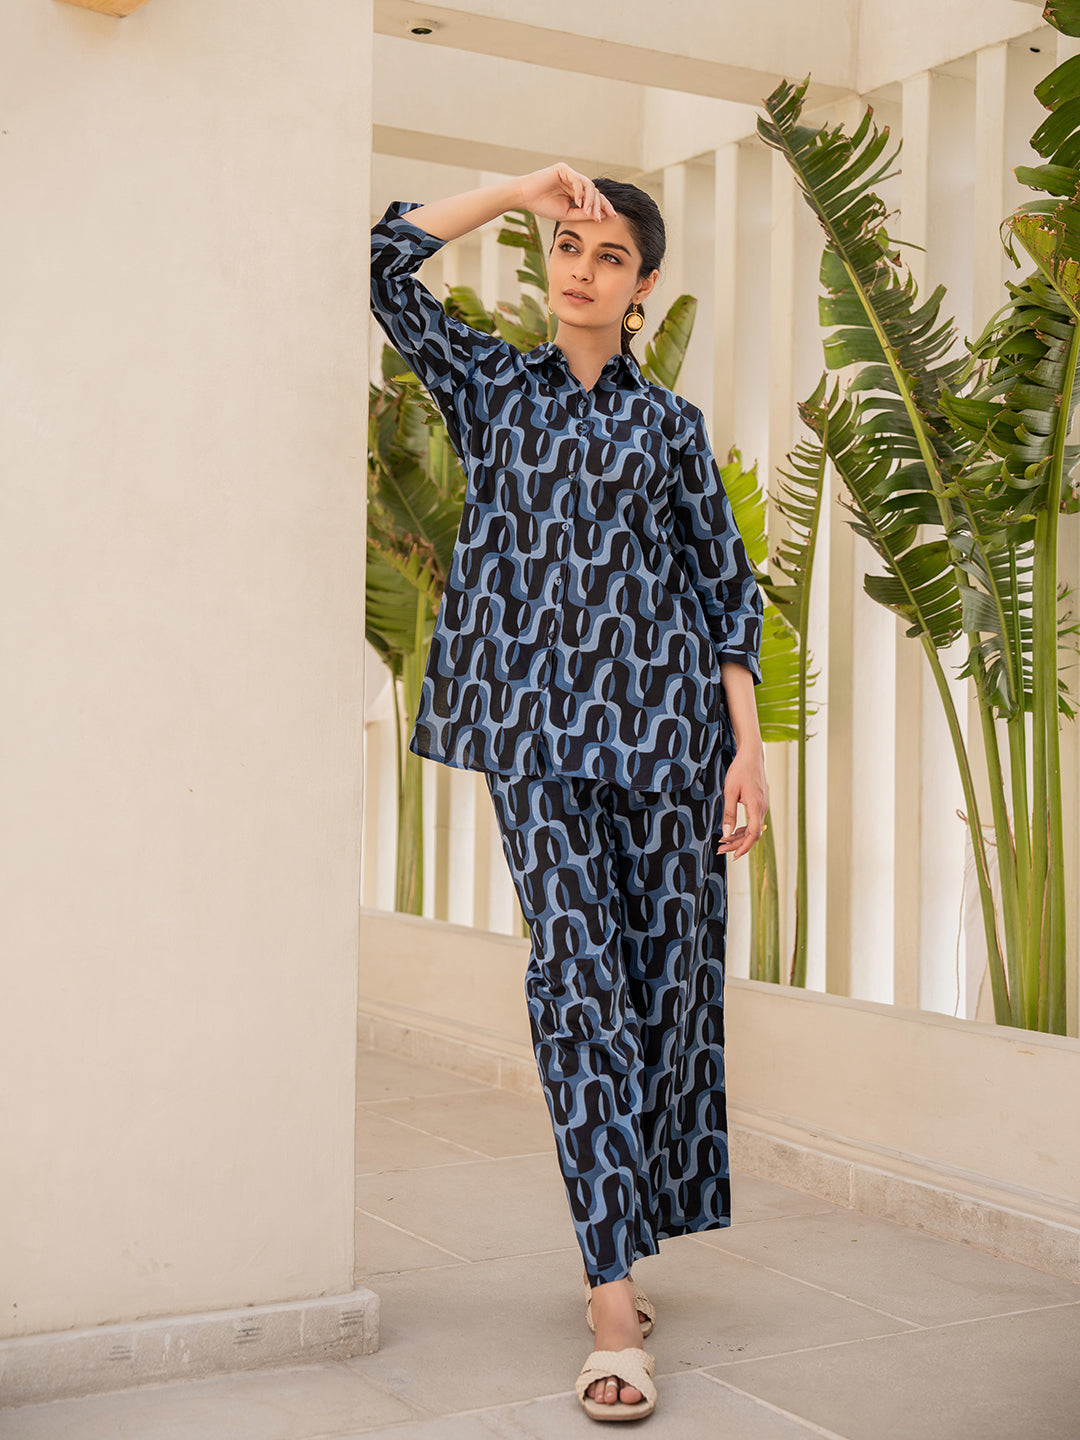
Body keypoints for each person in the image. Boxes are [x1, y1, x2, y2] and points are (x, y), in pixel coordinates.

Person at [369, 164, 767, 1423]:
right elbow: (383, 264)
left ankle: (629, 1232)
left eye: (608, 256)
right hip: (534, 741)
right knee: (579, 986)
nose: (580, 270)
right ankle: (610, 1303)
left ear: (644, 286)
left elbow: (724, 592)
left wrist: (747, 751)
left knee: (666, 993)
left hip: (669, 739)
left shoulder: (670, 429)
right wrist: (517, 191)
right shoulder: (493, 388)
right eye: (569, 247)